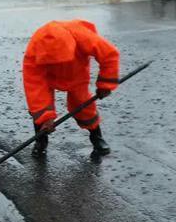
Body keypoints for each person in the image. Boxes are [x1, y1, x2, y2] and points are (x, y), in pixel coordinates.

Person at [23, 19, 120, 157]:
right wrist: (46, 118)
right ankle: (41, 140)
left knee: (84, 104)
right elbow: (35, 87)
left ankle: (96, 137)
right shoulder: (34, 53)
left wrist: (105, 85)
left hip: (76, 71)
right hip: (47, 76)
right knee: (39, 109)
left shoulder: (83, 36)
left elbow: (109, 55)